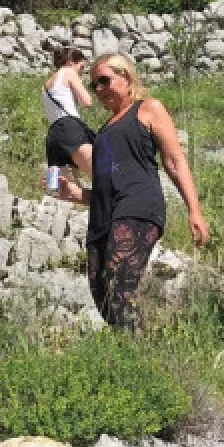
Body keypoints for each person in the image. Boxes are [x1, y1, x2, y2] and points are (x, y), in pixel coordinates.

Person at [56, 53, 209, 329]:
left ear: (126, 77)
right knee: (102, 294)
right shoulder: (102, 132)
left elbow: (174, 161)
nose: (99, 90)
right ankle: (130, 354)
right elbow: (106, 187)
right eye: (94, 86)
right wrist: (76, 194)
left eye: (105, 81)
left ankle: (140, 356)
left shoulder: (148, 109)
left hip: (138, 207)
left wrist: (194, 209)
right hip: (104, 218)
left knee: (120, 284)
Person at [43, 47, 94, 180]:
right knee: (102, 173)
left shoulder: (46, 85)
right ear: (71, 63)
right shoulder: (69, 72)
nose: (81, 73)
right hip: (71, 129)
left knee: (59, 187)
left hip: (53, 135)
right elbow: (87, 102)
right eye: (81, 67)